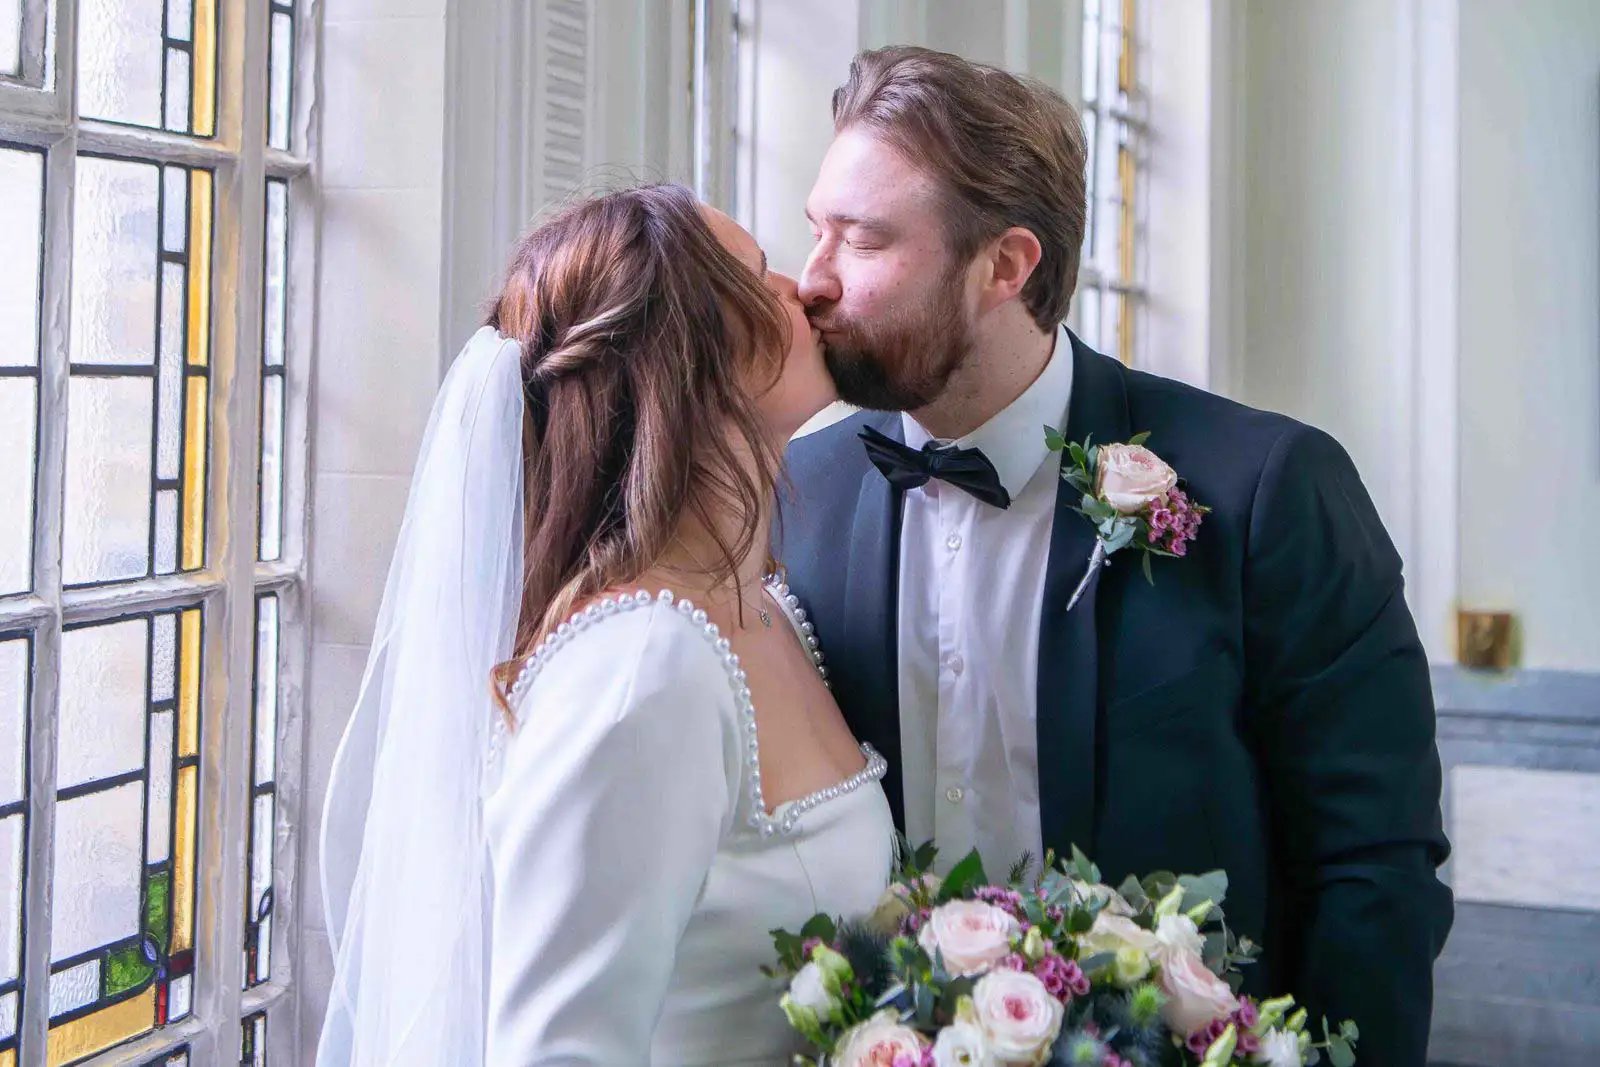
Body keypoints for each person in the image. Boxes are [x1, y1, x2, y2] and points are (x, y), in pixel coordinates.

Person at [780, 46, 1454, 1064]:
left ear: (1006, 266)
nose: (813, 279)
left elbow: (1376, 867)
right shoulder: (798, 495)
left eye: (864, 239)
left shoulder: (1267, 490)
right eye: (816, 229)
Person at [316, 184, 894, 1065]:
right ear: (687, 358)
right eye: (760, 275)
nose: (803, 288)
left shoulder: (765, 610)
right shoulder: (642, 670)